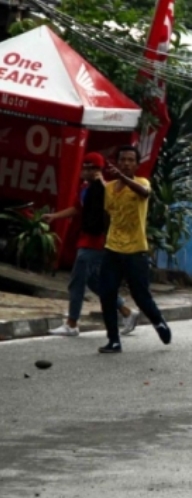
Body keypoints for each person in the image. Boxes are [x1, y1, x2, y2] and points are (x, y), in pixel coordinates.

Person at [43, 153, 138, 336]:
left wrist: (101, 182)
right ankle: (126, 311)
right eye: (84, 167)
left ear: (95, 170)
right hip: (86, 239)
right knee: (95, 283)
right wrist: (55, 216)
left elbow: (114, 210)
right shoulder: (85, 188)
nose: (83, 171)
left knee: (77, 282)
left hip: (96, 242)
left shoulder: (105, 188)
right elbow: (77, 209)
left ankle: (72, 323)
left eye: (88, 168)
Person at [98, 146, 171, 353]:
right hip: (113, 248)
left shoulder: (141, 183)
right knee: (107, 294)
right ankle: (113, 340)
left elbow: (145, 193)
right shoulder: (110, 187)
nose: (126, 163)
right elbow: (107, 214)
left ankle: (158, 322)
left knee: (141, 296)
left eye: (131, 160)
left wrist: (123, 177)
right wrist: (106, 237)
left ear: (136, 165)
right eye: (123, 159)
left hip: (136, 250)